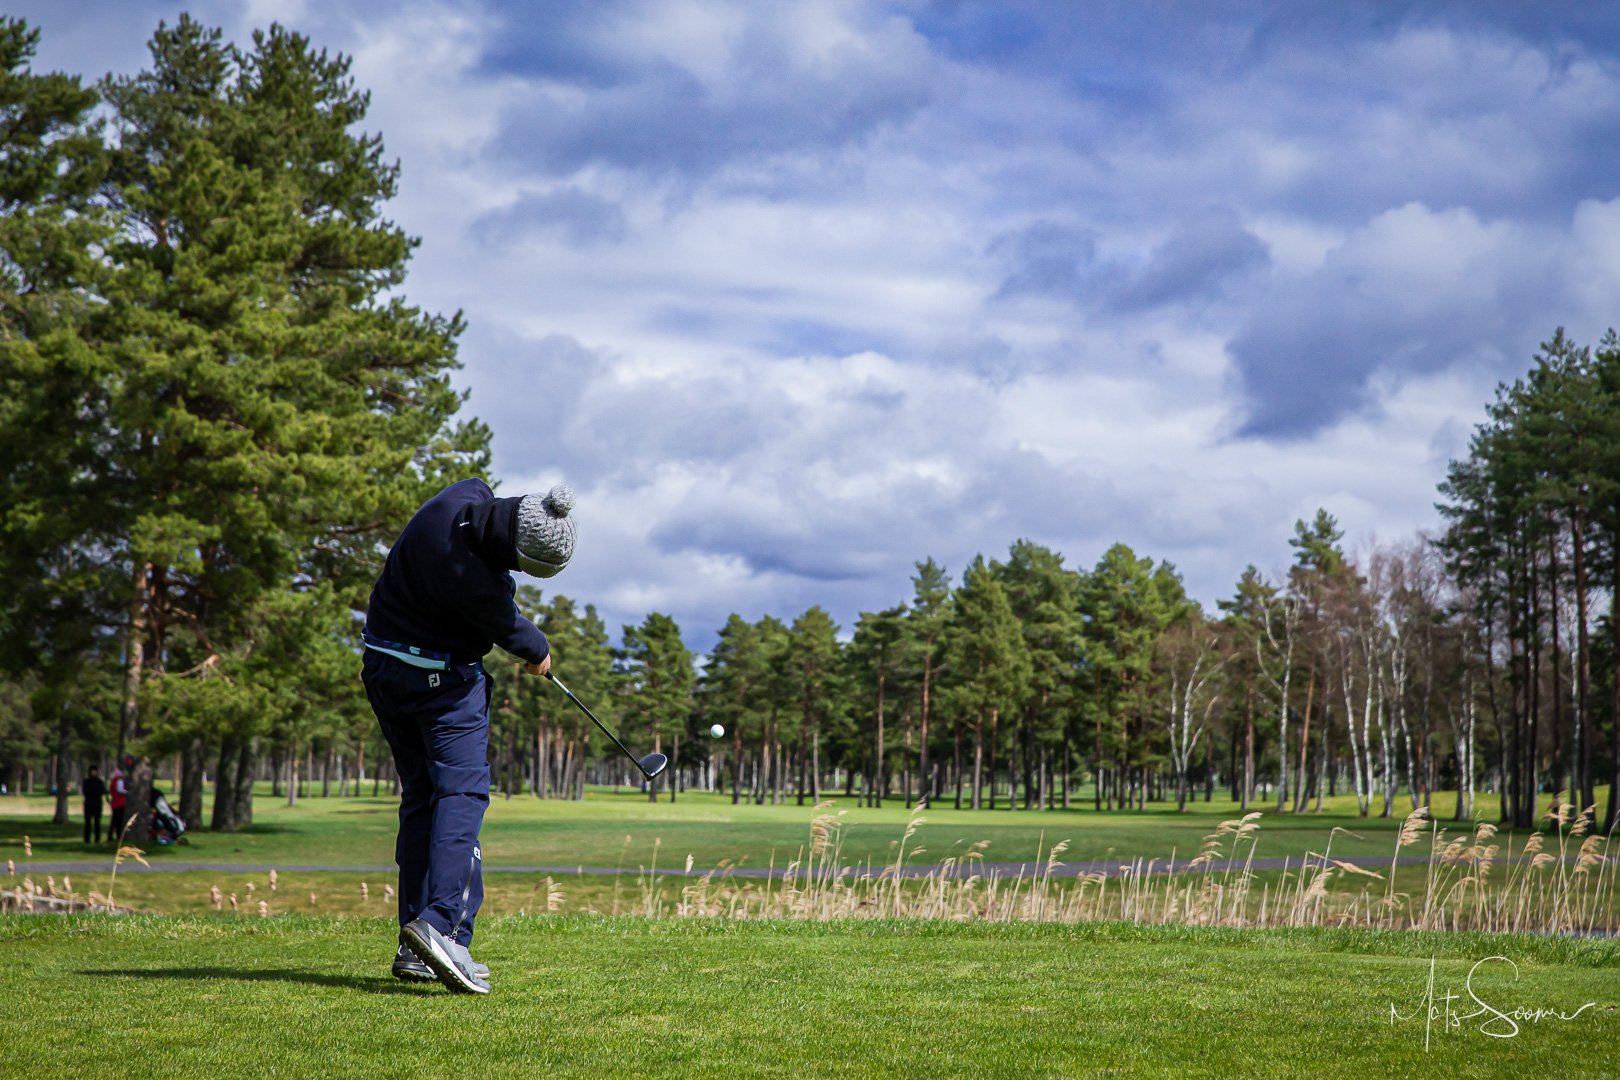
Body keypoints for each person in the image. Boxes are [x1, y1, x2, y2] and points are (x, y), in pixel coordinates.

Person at [363, 477, 575, 995]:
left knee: (421, 799)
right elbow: (511, 631)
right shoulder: (479, 583)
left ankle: (412, 944)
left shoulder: (465, 494)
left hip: (382, 669)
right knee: (462, 795)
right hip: (439, 686)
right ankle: (441, 927)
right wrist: (539, 650)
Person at [107, 758, 130, 843]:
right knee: (118, 822)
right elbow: (120, 790)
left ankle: (113, 836)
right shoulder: (119, 780)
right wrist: (128, 792)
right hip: (120, 803)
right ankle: (117, 837)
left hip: (115, 803)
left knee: (115, 821)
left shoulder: (114, 781)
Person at [81, 765, 106, 844]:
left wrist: (94, 792)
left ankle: (97, 840)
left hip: (97, 804)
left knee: (97, 822)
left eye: (95, 771)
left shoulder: (99, 781)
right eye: (92, 771)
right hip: (88, 804)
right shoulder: (86, 781)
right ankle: (87, 840)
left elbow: (102, 791)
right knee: (87, 823)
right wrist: (94, 792)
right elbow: (85, 791)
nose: (93, 772)